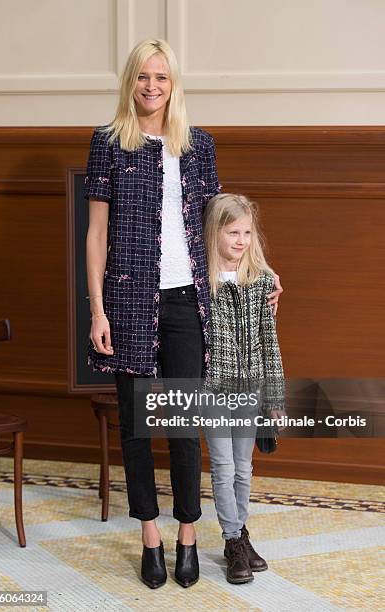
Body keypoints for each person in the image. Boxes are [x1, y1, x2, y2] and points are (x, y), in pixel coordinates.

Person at [84, 39, 282, 589]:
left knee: (179, 424)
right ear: (131, 81)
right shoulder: (108, 143)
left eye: (162, 78)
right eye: (143, 77)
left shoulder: (198, 146)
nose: (152, 87)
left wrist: (262, 272)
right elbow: (96, 234)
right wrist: (96, 309)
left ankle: (188, 534)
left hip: (188, 303)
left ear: (174, 85)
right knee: (137, 428)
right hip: (126, 300)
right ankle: (150, 536)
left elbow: (223, 228)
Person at [202, 193, 285, 584]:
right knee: (222, 466)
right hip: (212, 388)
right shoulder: (200, 284)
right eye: (233, 232)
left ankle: (241, 534)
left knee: (244, 468)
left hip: (250, 389)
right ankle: (233, 540)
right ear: (214, 232)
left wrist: (275, 399)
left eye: (248, 232)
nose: (241, 240)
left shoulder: (262, 282)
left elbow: (270, 343)